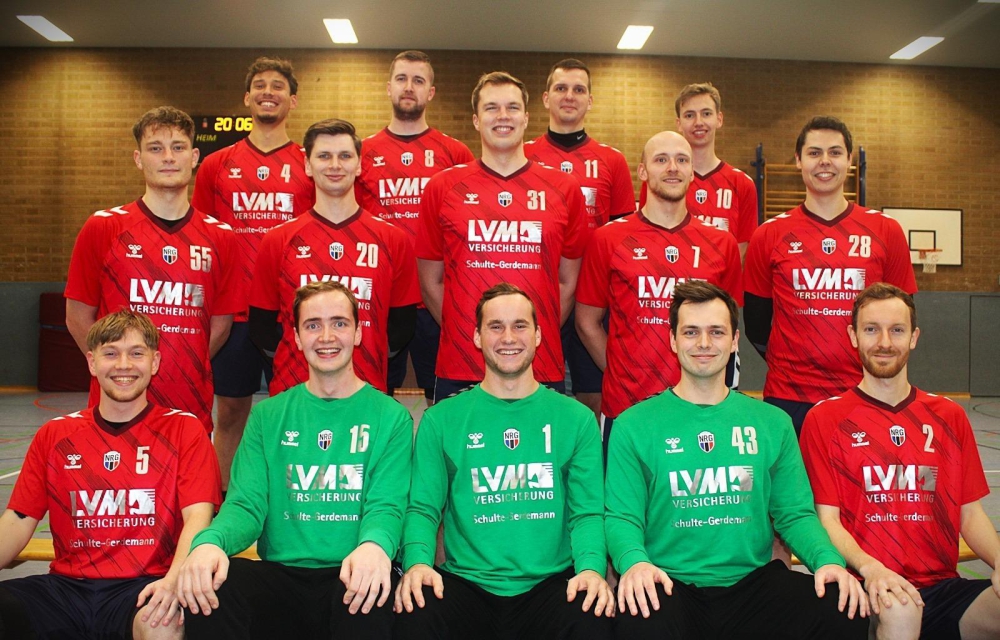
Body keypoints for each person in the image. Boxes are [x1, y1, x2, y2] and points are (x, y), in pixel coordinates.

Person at [605, 281, 869, 639]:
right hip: (670, 583)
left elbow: (795, 515)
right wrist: (635, 562)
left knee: (843, 606)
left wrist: (827, 560)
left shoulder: (772, 422)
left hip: (753, 585)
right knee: (635, 619)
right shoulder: (633, 425)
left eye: (716, 332)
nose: (703, 343)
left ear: (733, 341)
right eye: (691, 332)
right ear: (673, 340)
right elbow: (622, 518)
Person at [178, 281, 413, 640]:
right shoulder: (267, 416)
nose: (326, 337)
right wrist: (211, 542)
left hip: (353, 569)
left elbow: (386, 506)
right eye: (313, 325)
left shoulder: (390, 417)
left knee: (369, 593)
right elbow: (245, 505)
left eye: (339, 323)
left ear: (357, 333)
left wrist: (374, 545)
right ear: (298, 338)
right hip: (281, 575)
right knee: (212, 586)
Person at [395, 283, 613, 639]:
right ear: (477, 337)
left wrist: (590, 569)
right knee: (416, 610)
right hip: (467, 584)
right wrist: (418, 563)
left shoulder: (576, 419)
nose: (508, 337)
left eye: (519, 326)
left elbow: (587, 513)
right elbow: (422, 509)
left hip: (550, 584)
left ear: (538, 335)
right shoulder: (441, 419)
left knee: (592, 615)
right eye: (495, 326)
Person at [0, 310, 221, 640]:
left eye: (136, 353)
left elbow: (198, 518)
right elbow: (18, 520)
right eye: (111, 353)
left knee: (162, 623)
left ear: (155, 362)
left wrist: (173, 580)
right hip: (65, 589)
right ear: (92, 362)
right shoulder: (55, 435)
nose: (124, 365)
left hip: (144, 587)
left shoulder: (183, 430)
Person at [801, 283, 1000, 640]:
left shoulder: (949, 416)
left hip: (941, 588)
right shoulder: (825, 419)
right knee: (900, 609)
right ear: (853, 336)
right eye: (871, 329)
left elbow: (970, 514)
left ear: (914, 337)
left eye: (896, 330)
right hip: (867, 587)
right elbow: (826, 519)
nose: (884, 342)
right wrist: (871, 569)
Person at [417, 71, 589, 403]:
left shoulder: (564, 189)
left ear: (526, 117)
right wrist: (475, 333)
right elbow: (430, 282)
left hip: (539, 364)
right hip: (462, 361)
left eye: (512, 107)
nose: (503, 116)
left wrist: (527, 336)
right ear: (476, 120)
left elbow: (567, 283)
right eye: (491, 108)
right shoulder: (442, 187)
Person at [66, 106, 239, 433]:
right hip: (117, 405)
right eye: (156, 148)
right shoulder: (103, 228)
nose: (168, 157)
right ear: (138, 158)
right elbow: (77, 317)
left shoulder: (222, 237)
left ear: (194, 156)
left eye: (178, 147)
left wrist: (185, 365)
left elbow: (220, 325)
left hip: (190, 404)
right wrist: (117, 367)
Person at [743, 116, 917, 434]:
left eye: (835, 152)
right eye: (814, 152)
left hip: (867, 391)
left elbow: (901, 320)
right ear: (798, 160)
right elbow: (755, 322)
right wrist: (794, 364)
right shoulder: (768, 235)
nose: (825, 161)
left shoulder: (886, 230)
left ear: (849, 160)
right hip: (789, 396)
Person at [191, 56, 315, 488]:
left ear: (293, 100)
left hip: (291, 314)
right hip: (235, 314)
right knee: (229, 413)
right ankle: (222, 500)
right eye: (260, 85)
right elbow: (200, 238)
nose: (268, 92)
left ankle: (291, 501)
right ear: (246, 97)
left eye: (278, 86)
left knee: (296, 415)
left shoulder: (309, 163)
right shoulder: (216, 165)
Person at [576, 131, 742, 446]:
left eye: (682, 160)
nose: (672, 168)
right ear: (642, 171)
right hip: (627, 407)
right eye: (661, 160)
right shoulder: (607, 239)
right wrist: (621, 371)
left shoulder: (722, 244)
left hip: (701, 409)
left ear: (692, 173)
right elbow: (586, 322)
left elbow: (728, 330)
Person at [248, 118, 420, 397]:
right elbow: (261, 325)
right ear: (307, 165)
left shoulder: (392, 239)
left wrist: (367, 356)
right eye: (324, 156)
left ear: (359, 164)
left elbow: (403, 324)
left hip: (366, 390)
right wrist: (297, 360)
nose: (335, 165)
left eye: (345, 156)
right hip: (294, 390)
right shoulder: (278, 239)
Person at [355, 50, 474, 404]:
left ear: (431, 92)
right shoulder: (361, 153)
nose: (409, 87)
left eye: (418, 81)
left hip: (435, 302)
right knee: (372, 400)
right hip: (380, 300)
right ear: (388, 87)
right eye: (402, 79)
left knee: (446, 402)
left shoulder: (455, 154)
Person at [524, 58, 635, 418]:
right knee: (536, 398)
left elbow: (624, 238)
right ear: (546, 98)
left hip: (595, 299)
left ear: (590, 100)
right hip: (543, 292)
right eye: (561, 88)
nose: (569, 96)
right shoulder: (523, 155)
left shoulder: (612, 161)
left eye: (578, 89)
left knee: (594, 399)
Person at [638, 82, 758, 260]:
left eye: (706, 113)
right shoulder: (660, 179)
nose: (698, 122)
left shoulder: (742, 184)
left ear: (719, 119)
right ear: (679, 123)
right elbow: (647, 234)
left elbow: (740, 253)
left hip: (718, 277)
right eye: (689, 115)